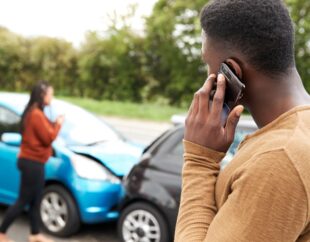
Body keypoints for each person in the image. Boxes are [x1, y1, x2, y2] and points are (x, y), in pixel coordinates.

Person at [175, 0, 310, 241]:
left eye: (208, 64)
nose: (208, 75)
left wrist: (199, 160)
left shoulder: (279, 157)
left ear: (232, 71)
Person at [0, 81, 64, 242]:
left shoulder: (36, 113)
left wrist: (53, 122)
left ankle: (35, 234)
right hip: (32, 163)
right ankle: (1, 232)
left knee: (36, 199)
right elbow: (48, 138)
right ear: (42, 95)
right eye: (50, 94)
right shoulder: (35, 114)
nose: (52, 97)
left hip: (33, 161)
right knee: (23, 200)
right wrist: (58, 124)